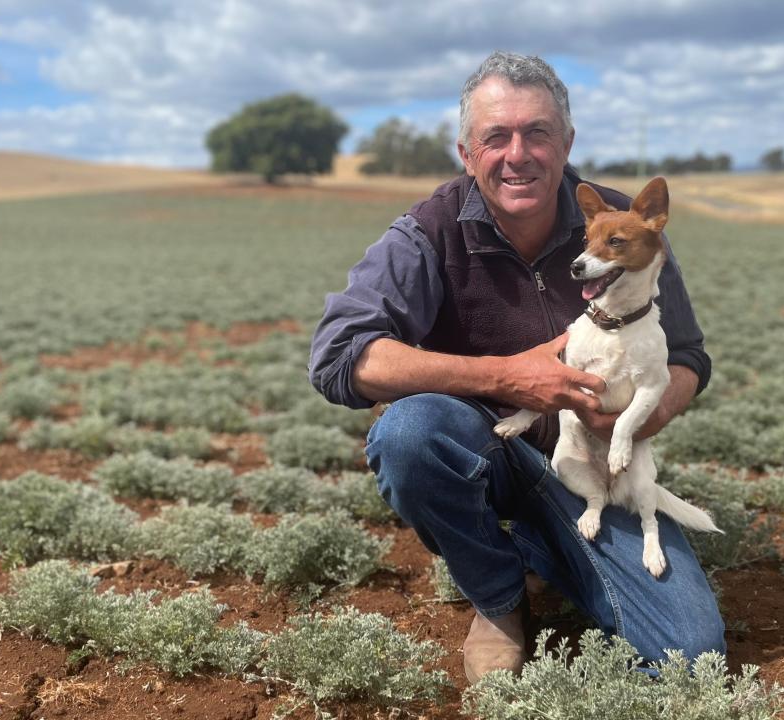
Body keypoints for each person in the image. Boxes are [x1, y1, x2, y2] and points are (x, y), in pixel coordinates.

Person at [308, 51, 725, 683]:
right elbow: (342, 354)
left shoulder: (623, 225)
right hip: (488, 453)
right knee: (410, 434)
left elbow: (689, 354)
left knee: (689, 659)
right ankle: (498, 599)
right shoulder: (431, 231)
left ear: (567, 142)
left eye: (537, 133)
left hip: (591, 466)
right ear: (466, 152)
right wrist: (504, 377)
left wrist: (644, 417)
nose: (517, 153)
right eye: (495, 137)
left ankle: (546, 542)